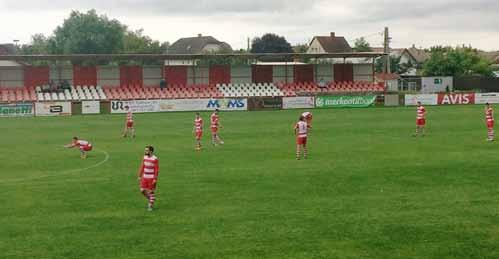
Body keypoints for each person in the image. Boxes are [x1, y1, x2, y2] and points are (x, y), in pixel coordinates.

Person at [137, 146, 159, 211]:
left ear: (151, 151)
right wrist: (139, 175)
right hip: (145, 177)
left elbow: (156, 169)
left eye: (147, 150)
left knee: (151, 192)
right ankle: (151, 199)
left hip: (151, 178)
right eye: (145, 150)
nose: (145, 151)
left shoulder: (155, 159)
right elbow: (142, 166)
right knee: (142, 190)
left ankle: (150, 206)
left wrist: (155, 179)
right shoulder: (145, 157)